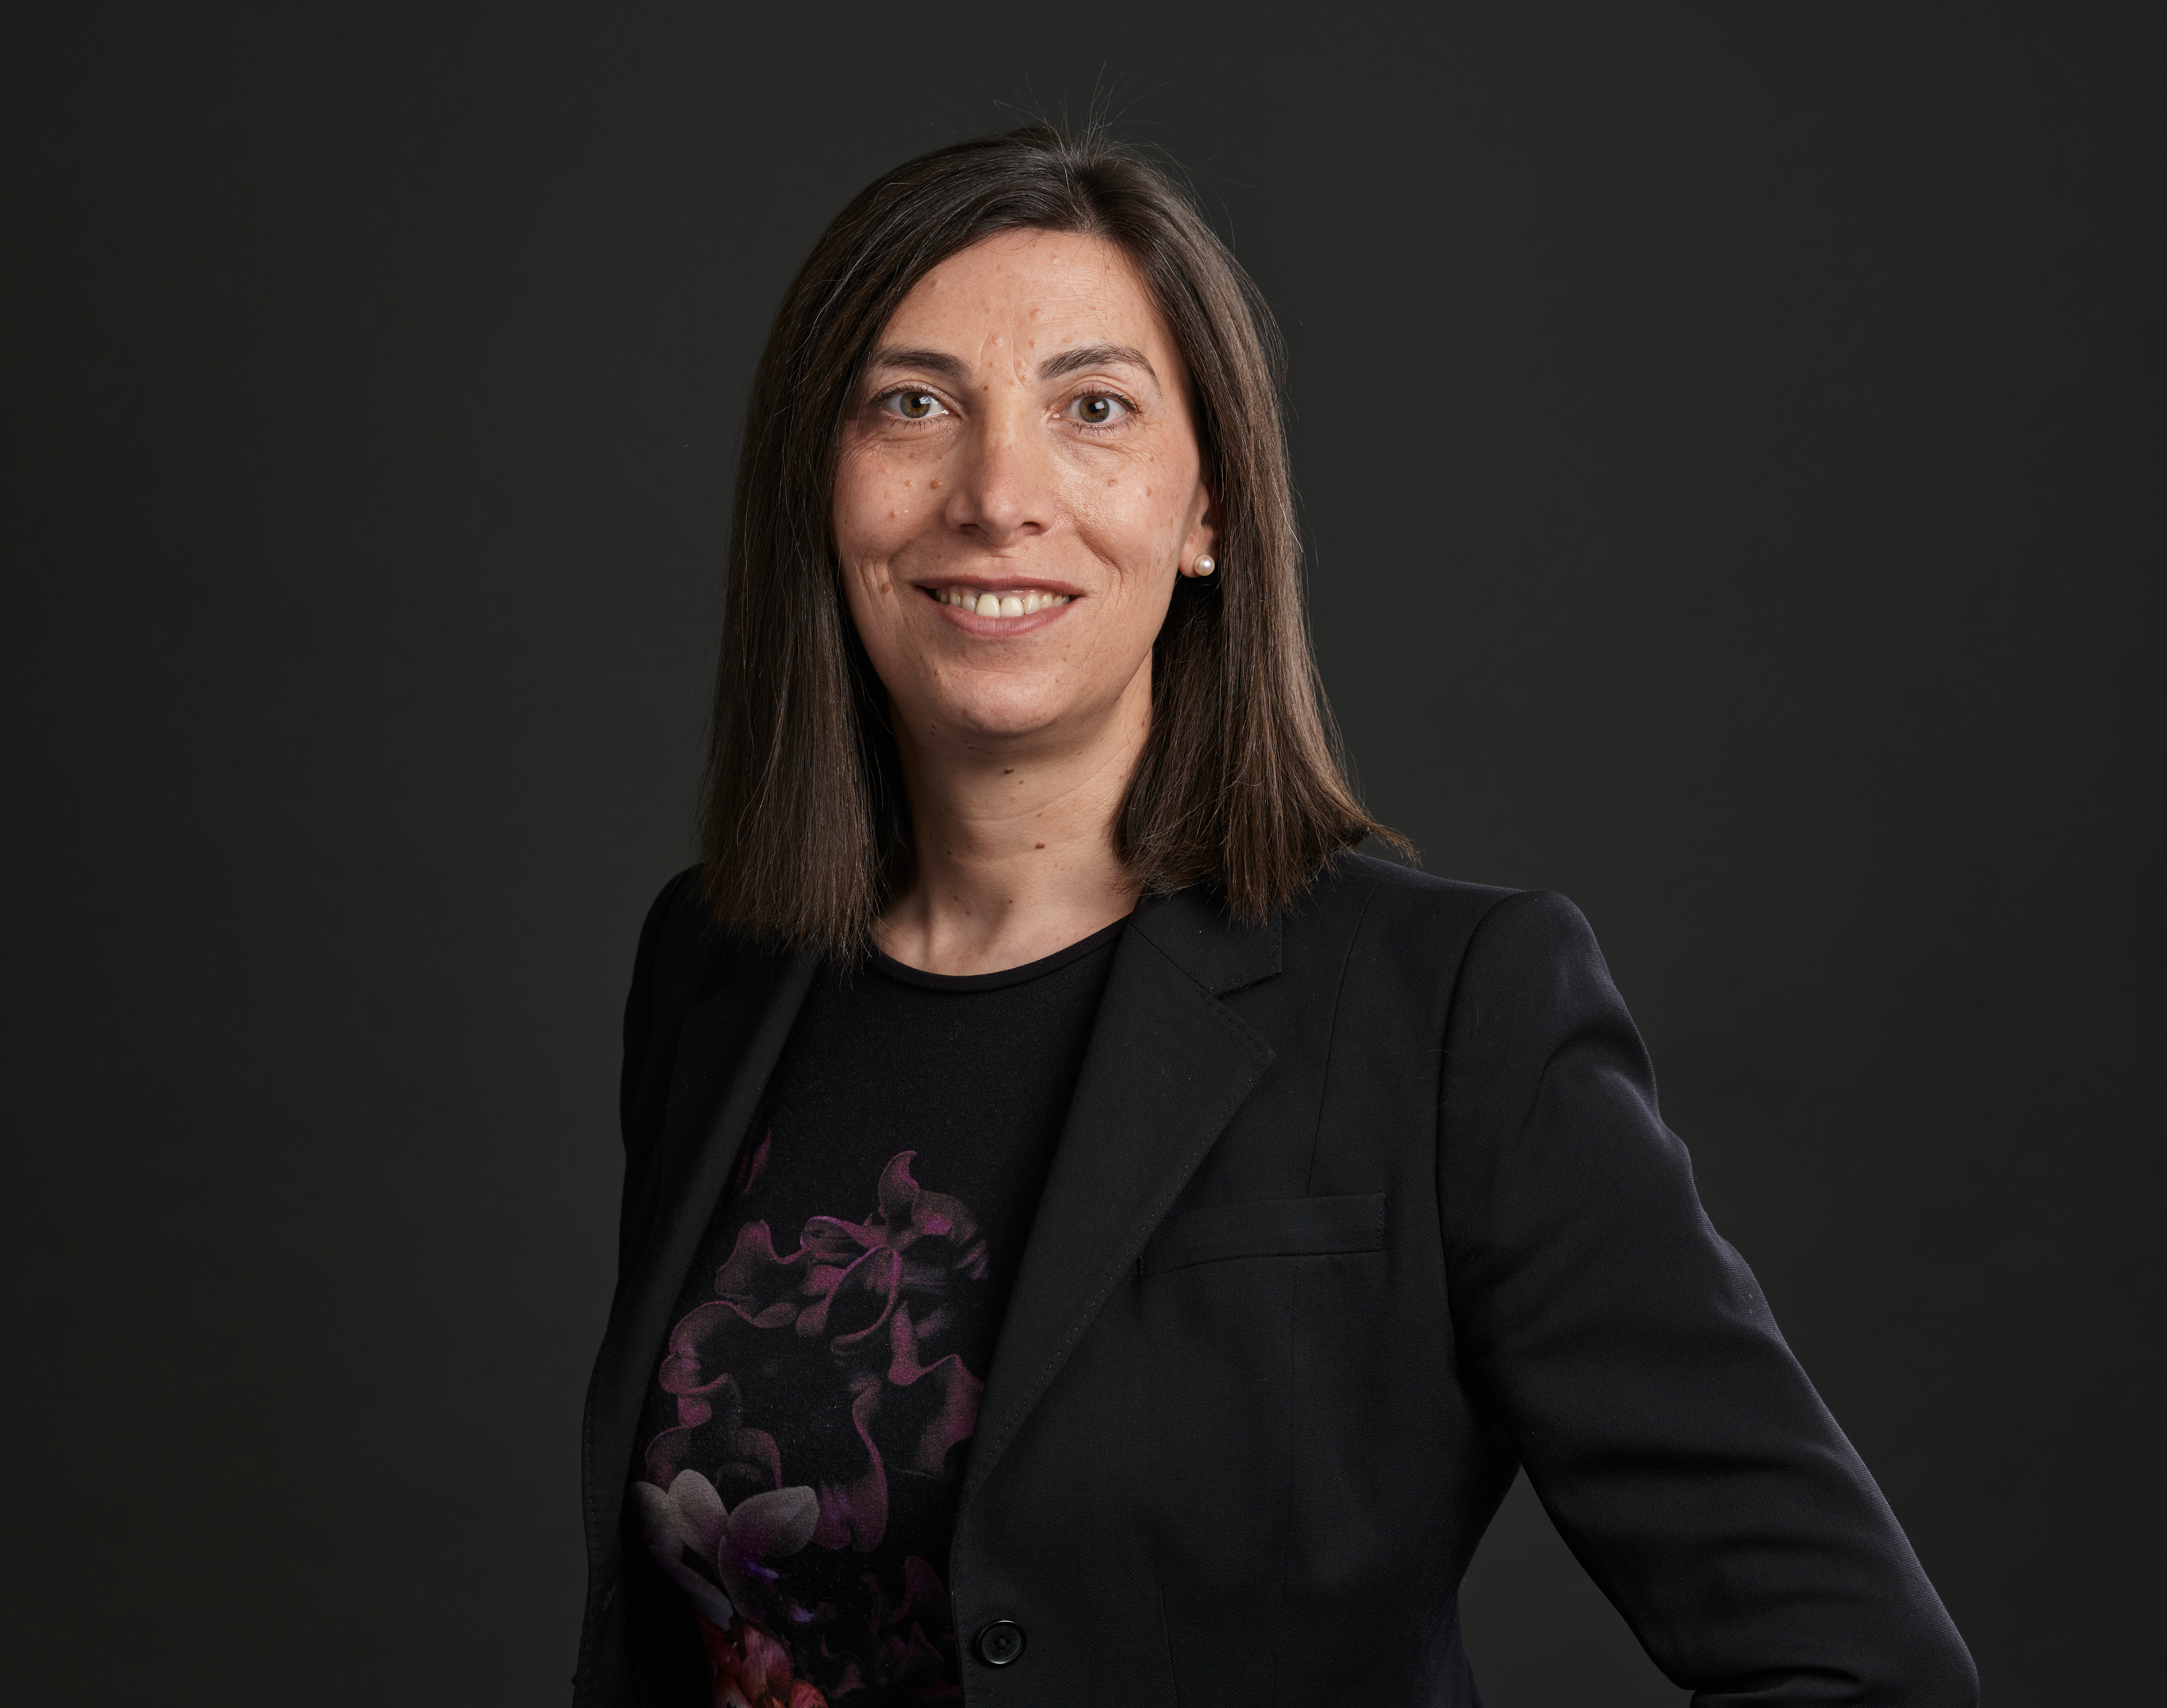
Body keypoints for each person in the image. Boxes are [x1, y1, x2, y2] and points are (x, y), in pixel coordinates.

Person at [573, 126, 1975, 1708]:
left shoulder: (1455, 1015)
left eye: (1093, 410)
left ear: (1210, 513)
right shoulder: (714, 972)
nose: (996, 494)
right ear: (821, 491)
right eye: (914, 406)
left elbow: (1863, 1669)